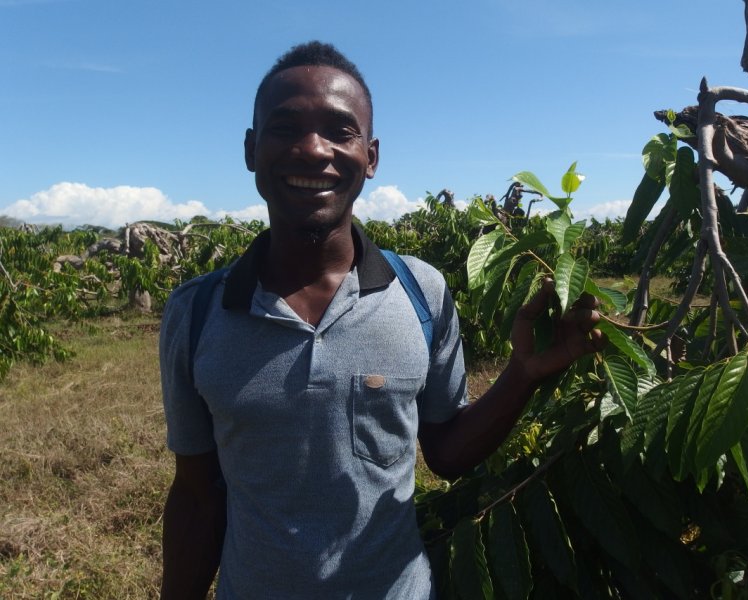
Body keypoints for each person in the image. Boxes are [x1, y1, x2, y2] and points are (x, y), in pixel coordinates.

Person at [159, 41, 604, 599]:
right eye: (285, 127)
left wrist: (523, 373)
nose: (312, 149)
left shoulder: (420, 293)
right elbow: (197, 497)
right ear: (251, 150)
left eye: (340, 132)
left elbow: (445, 453)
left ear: (371, 158)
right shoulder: (197, 312)